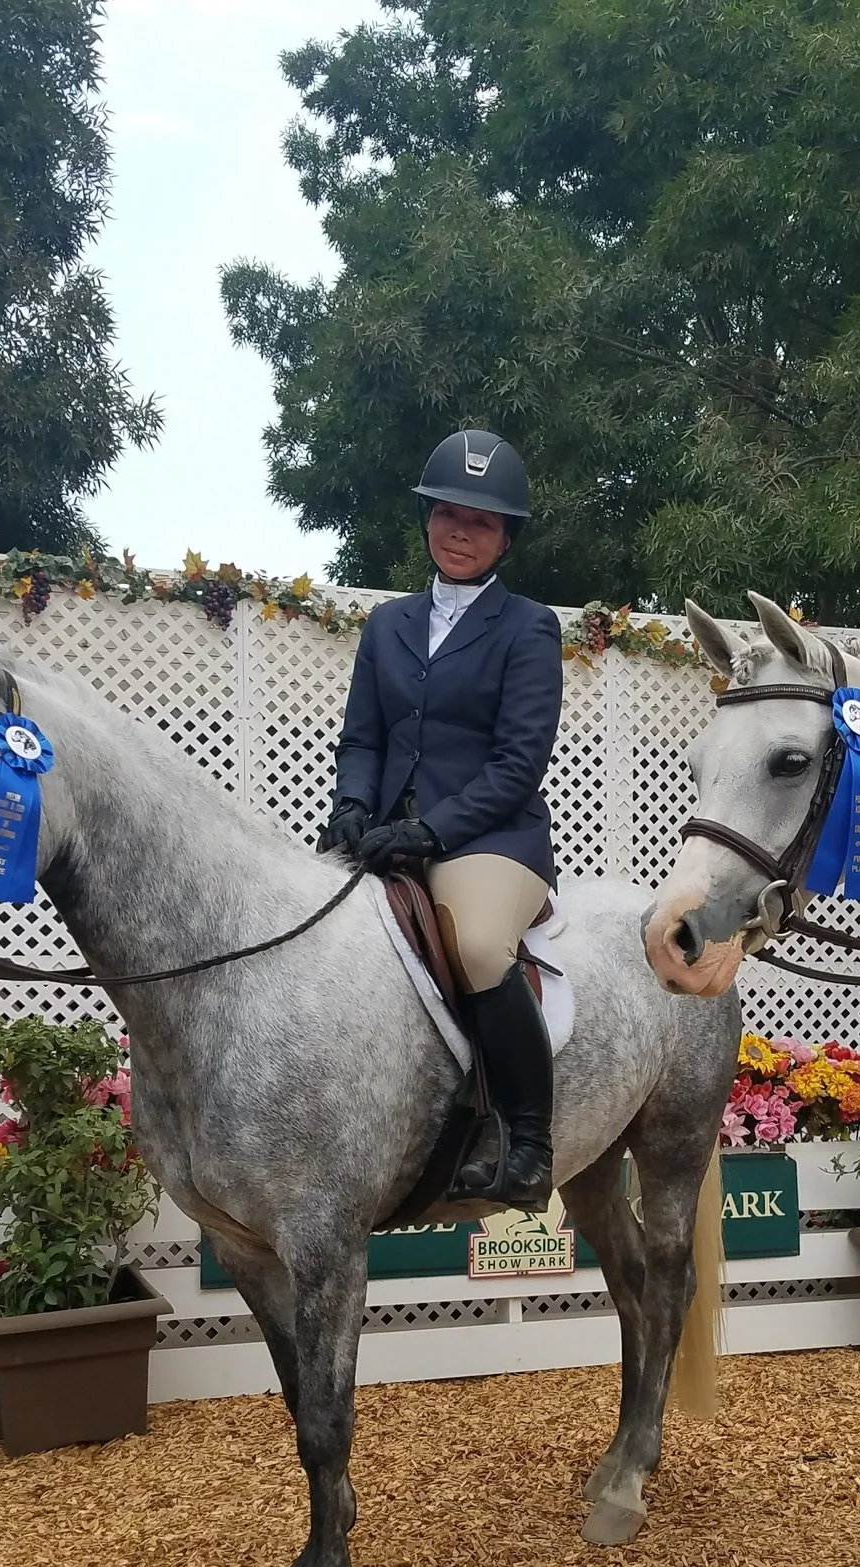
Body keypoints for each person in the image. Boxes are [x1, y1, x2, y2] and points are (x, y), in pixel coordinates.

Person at [318, 429, 563, 1209]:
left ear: (505, 538)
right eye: (447, 513)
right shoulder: (387, 624)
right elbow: (363, 738)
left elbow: (518, 764)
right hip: (386, 833)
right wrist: (353, 805)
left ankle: (529, 1141)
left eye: (480, 521)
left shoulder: (528, 626)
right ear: (427, 519)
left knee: (479, 945)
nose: (460, 531)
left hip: (492, 839)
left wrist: (433, 832)